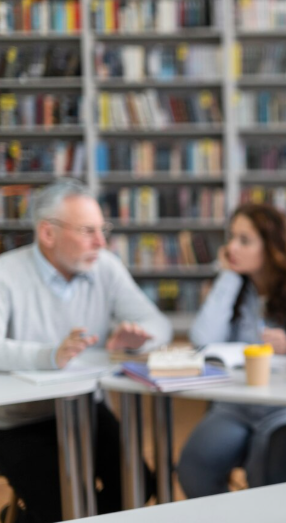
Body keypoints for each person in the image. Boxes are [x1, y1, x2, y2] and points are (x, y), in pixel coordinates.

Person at [0, 179, 171, 523]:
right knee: (63, 506)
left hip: (83, 411)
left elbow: (159, 324)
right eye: (88, 231)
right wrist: (50, 356)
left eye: (102, 229)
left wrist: (138, 338)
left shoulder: (104, 265)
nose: (101, 242)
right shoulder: (6, 273)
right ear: (48, 234)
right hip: (18, 421)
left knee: (139, 485)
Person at [176, 204, 286, 498]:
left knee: (265, 476)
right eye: (231, 238)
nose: (232, 247)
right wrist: (228, 277)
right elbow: (202, 339)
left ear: (271, 247)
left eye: (244, 241)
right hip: (236, 405)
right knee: (194, 466)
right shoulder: (234, 288)